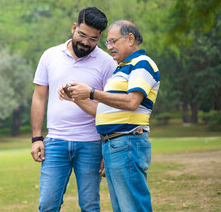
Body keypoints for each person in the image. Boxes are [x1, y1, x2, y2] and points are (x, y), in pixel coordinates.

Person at [59, 20, 160, 212]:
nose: (109, 47)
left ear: (130, 39)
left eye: (113, 41)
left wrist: (91, 92)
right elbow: (101, 111)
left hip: (128, 141)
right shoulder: (121, 69)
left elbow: (131, 102)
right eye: (108, 43)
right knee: (121, 208)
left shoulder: (142, 64)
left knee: (133, 207)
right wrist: (75, 97)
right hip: (113, 145)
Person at [30, 7, 117, 212]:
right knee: (48, 204)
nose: (86, 43)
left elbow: (111, 108)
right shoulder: (50, 55)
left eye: (93, 39)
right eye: (82, 35)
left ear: (100, 37)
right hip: (55, 143)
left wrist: (107, 147)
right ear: (74, 27)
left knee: (89, 205)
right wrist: (36, 138)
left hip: (92, 145)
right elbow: (39, 97)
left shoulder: (107, 63)